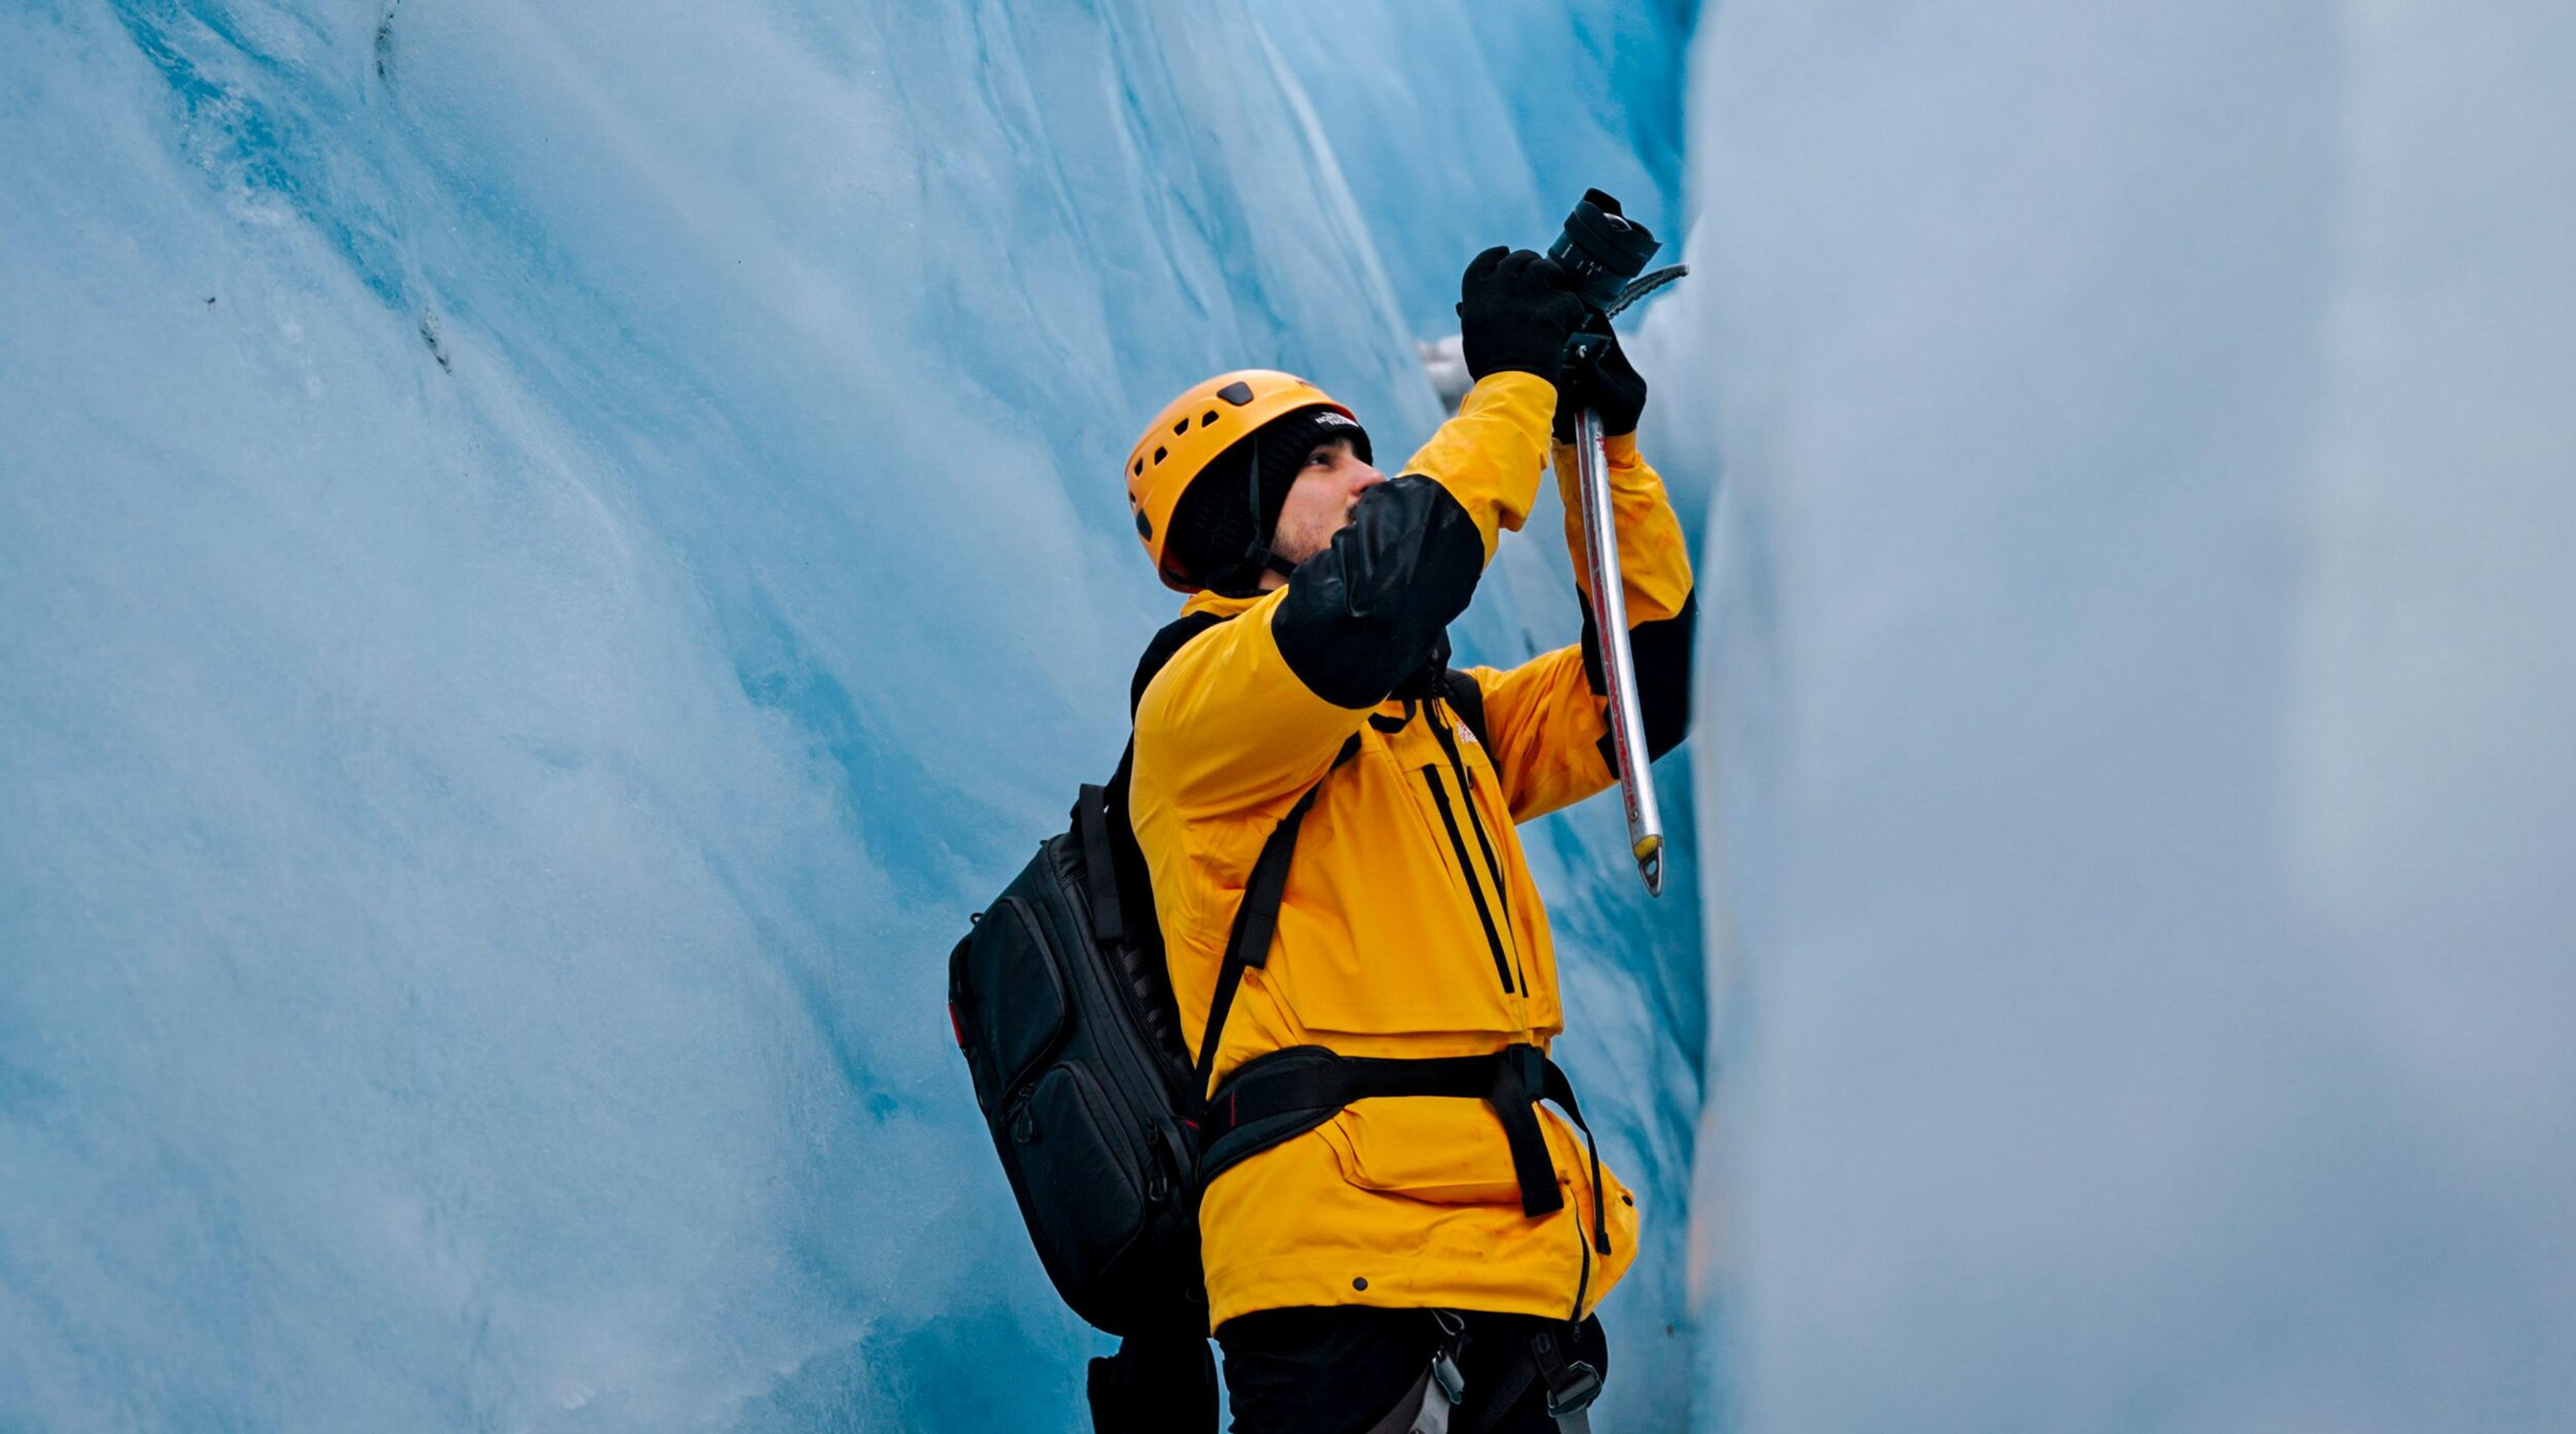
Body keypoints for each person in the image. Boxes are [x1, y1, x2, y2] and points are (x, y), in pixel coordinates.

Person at [1120, 246, 1697, 1432]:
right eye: (1318, 464)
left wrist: (1606, 454)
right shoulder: (1198, 707)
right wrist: (1514, 386)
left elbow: (1651, 686)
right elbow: (1384, 593)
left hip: (1518, 1252)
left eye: (1363, 451)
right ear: (1235, 522)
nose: (1365, 476)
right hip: (1341, 1260)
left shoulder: (1441, 722)